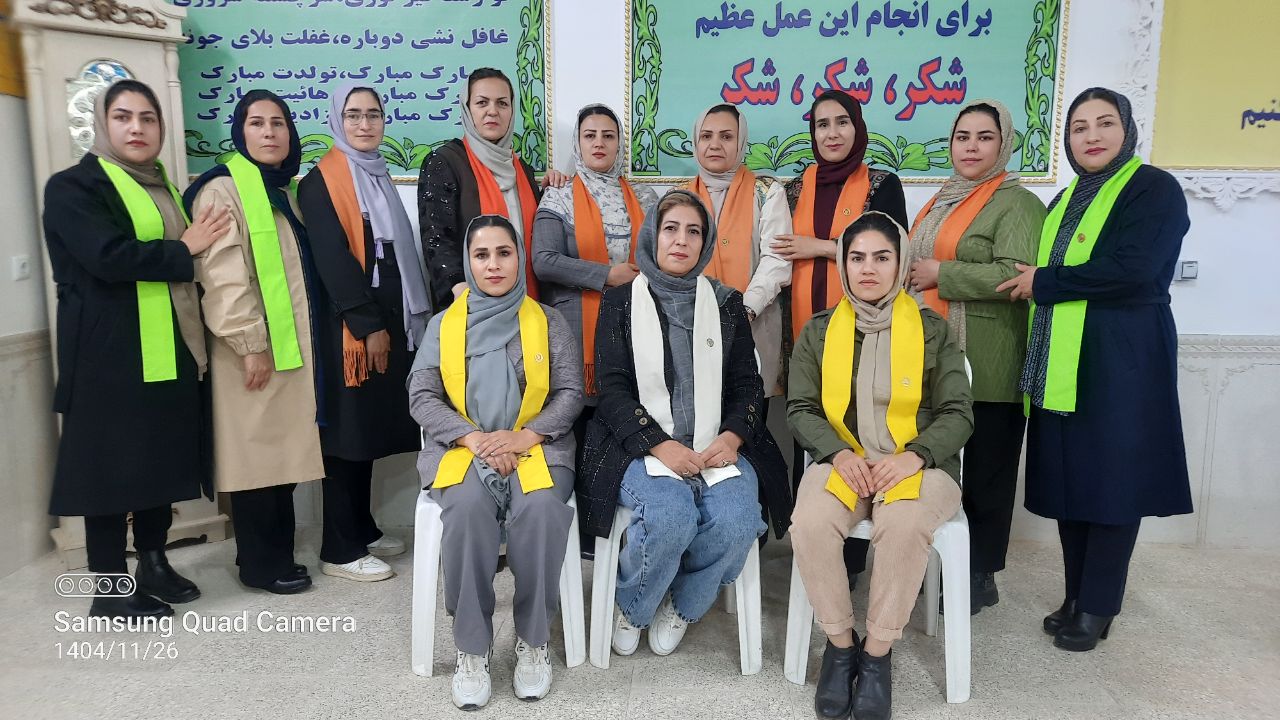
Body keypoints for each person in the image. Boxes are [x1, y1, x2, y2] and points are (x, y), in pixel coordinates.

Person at [997, 87, 1193, 652]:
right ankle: (1076, 596)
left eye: (1105, 123)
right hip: (1063, 361)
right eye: (1079, 127)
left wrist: (1044, 281)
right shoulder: (1067, 199)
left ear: (1127, 129)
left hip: (1120, 360)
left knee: (1112, 484)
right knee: (1072, 482)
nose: (1092, 136)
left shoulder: (1152, 188)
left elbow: (1135, 269)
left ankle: (1100, 605)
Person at [42, 80, 229, 618]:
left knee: (157, 464)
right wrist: (183, 248)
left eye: (148, 118)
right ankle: (109, 591)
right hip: (107, 356)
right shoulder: (74, 186)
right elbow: (107, 257)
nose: (137, 128)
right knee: (108, 474)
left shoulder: (161, 186)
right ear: (103, 124)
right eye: (123, 117)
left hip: (167, 346)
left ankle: (154, 562)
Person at [576, 190, 790, 659]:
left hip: (716, 443)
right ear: (653, 235)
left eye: (694, 231)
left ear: (706, 242)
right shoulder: (621, 301)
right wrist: (659, 444)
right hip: (637, 446)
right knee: (670, 516)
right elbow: (611, 389)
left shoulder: (726, 303)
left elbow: (747, 384)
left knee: (738, 520)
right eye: (671, 229)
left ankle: (684, 603)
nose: (681, 240)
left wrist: (732, 436)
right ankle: (634, 607)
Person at [789, 211, 972, 720]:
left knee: (905, 523)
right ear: (843, 265)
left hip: (920, 464)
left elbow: (958, 412)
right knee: (811, 521)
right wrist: (839, 454)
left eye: (881, 257)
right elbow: (800, 408)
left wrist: (914, 456)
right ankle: (841, 646)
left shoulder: (932, 331)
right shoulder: (820, 331)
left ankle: (876, 655)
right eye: (856, 257)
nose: (868, 268)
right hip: (843, 457)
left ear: (901, 263)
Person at [408, 215, 584, 709]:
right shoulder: (444, 325)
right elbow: (422, 396)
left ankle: (533, 640)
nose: (493, 265)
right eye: (481, 255)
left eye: (504, 253)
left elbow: (571, 392)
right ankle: (472, 647)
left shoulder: (548, 321)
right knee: (466, 511)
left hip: (539, 446)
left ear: (519, 257)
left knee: (542, 510)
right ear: (468, 262)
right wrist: (474, 439)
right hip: (463, 449)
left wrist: (524, 436)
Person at [905, 99, 1046, 614]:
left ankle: (979, 575)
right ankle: (936, 564)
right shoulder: (944, 198)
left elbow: (1017, 274)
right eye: (962, 136)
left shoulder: (1018, 203)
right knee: (943, 467)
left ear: (1003, 144)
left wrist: (943, 274)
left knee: (986, 469)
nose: (971, 147)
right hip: (935, 356)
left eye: (985, 137)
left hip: (989, 358)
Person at [185, 90, 326, 594]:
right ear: (239, 132)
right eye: (257, 123)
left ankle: (270, 555)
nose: (269, 132)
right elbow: (223, 276)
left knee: (277, 459)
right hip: (249, 350)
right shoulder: (223, 190)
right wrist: (250, 344)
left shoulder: (282, 191)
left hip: (287, 348)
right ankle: (262, 566)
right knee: (256, 462)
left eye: (279, 123)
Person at [296, 83, 432, 581]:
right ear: (337, 120)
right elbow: (334, 261)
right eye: (353, 115)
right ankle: (339, 547)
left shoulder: (376, 173)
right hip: (350, 329)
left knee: (369, 428)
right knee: (348, 434)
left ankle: (361, 526)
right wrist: (367, 324)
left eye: (373, 114)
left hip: (387, 317)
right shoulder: (320, 182)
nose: (364, 124)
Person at [778, 89, 909, 583]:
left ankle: (851, 560)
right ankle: (813, 550)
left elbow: (895, 249)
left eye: (841, 123)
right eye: (821, 125)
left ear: (858, 128)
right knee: (807, 431)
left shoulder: (882, 184)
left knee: (858, 428)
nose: (831, 133)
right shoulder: (793, 189)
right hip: (803, 334)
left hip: (866, 332)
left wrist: (817, 247)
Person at [532, 103, 658, 429]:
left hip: (634, 324)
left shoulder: (644, 197)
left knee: (631, 419)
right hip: (577, 328)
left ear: (620, 144)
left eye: (608, 136)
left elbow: (661, 256)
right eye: (590, 136)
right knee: (579, 424)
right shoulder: (559, 195)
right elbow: (544, 261)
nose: (599, 143)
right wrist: (606, 275)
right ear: (578, 143)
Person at [417, 67, 563, 310]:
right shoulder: (445, 162)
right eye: (482, 102)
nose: (492, 111)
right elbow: (436, 237)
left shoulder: (522, 170)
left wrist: (550, 191)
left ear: (512, 111)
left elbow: (529, 235)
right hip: (470, 304)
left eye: (502, 103)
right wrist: (459, 288)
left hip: (526, 302)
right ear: (467, 109)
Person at [679, 103, 792, 398]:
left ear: (741, 142)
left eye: (727, 136)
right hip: (690, 325)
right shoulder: (679, 197)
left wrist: (744, 310)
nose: (715, 144)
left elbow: (776, 259)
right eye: (706, 136)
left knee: (748, 412)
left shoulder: (766, 191)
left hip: (753, 322)